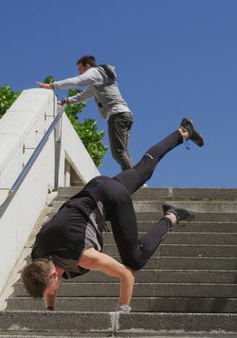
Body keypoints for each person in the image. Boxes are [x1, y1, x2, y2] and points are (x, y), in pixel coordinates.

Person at [21, 117, 205, 313]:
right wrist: (50, 310)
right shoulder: (38, 256)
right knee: (144, 170)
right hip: (97, 186)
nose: (51, 292)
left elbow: (127, 275)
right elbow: (48, 281)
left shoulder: (85, 257)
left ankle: (171, 215)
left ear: (54, 277)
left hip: (112, 199)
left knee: (135, 260)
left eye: (50, 289)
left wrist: (122, 310)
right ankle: (183, 131)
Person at [36, 55, 135, 171]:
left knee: (118, 153)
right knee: (123, 152)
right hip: (124, 114)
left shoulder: (94, 72)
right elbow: (83, 96)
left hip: (117, 115)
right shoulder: (99, 80)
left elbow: (77, 81)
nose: (79, 72)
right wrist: (65, 101)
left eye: (80, 69)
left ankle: (133, 181)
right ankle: (138, 181)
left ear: (87, 66)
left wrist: (52, 86)